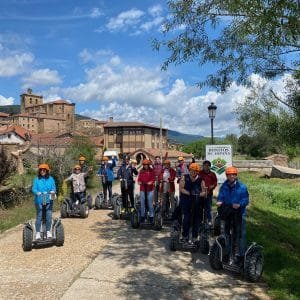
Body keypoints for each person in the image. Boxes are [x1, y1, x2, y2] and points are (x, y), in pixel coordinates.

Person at [217, 166, 249, 262]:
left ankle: (241, 255)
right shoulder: (224, 186)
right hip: (228, 213)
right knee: (227, 233)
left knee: (240, 234)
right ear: (226, 176)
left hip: (239, 214)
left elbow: (246, 200)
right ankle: (228, 252)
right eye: (229, 175)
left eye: (233, 174)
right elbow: (220, 197)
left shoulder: (242, 187)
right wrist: (219, 201)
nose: (231, 176)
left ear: (236, 175)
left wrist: (239, 204)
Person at [179, 163, 206, 243]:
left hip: (197, 202)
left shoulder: (201, 180)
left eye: (195, 171)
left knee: (196, 219)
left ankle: (194, 236)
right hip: (186, 200)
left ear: (198, 172)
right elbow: (181, 188)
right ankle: (185, 236)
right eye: (192, 170)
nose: (193, 172)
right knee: (186, 218)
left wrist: (198, 194)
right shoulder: (185, 177)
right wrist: (189, 193)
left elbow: (204, 192)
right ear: (189, 170)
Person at [32, 163, 56, 240]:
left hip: (49, 200)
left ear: (47, 171)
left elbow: (54, 188)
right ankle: (38, 232)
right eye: (41, 170)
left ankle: (48, 231)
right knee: (39, 216)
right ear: (39, 171)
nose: (42, 171)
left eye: (44, 170)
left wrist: (53, 191)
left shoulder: (51, 179)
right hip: (39, 200)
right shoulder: (36, 179)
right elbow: (34, 189)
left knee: (48, 216)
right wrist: (37, 192)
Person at [199, 160, 218, 225]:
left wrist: (212, 186)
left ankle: (209, 220)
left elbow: (215, 182)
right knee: (200, 207)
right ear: (203, 166)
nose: (206, 167)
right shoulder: (200, 173)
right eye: (205, 165)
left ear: (210, 167)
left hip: (209, 193)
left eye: (207, 166)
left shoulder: (212, 174)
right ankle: (200, 220)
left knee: (208, 207)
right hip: (201, 193)